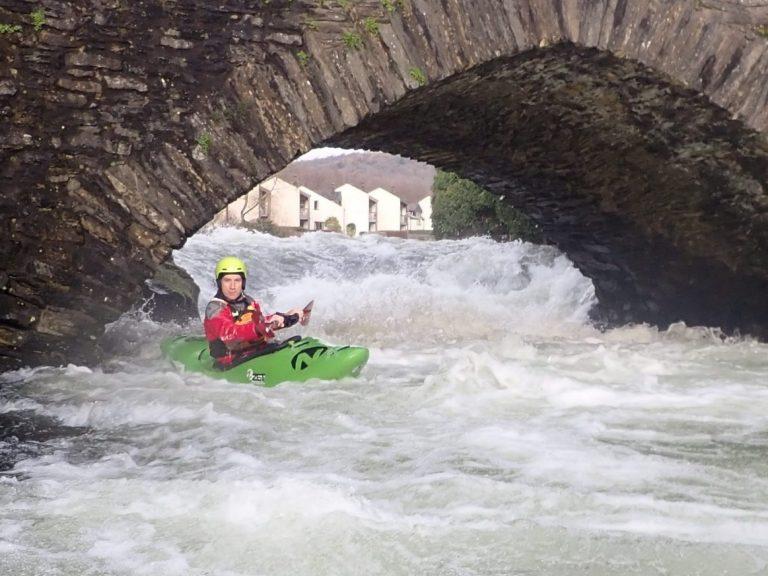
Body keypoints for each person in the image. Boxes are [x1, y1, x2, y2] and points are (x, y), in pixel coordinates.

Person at [204, 256, 304, 368]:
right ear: (219, 282)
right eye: (227, 280)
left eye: (237, 280)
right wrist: (259, 327)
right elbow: (229, 334)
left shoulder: (249, 302)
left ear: (243, 282)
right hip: (230, 362)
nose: (232, 286)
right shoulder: (215, 309)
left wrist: (285, 317)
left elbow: (261, 324)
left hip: (257, 352)